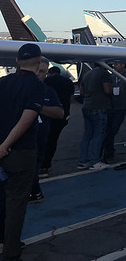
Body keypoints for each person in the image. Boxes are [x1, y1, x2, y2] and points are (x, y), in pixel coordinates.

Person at [0, 43, 45, 261]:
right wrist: (6, 145)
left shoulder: (4, 82)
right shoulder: (36, 86)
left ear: (17, 61)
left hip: (1, 149)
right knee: (16, 203)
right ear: (39, 61)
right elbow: (26, 120)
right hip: (20, 152)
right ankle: (10, 251)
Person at [28, 58, 64, 204]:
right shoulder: (16, 87)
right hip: (17, 139)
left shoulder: (48, 92)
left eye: (42, 71)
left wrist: (38, 107)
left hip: (39, 138)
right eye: (36, 70)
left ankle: (34, 192)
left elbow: (59, 113)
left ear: (46, 74)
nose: (38, 74)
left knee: (33, 166)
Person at [77, 61, 112, 170]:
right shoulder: (104, 74)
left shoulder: (87, 74)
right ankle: (94, 161)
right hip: (99, 107)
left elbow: (81, 92)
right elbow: (107, 90)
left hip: (87, 106)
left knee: (87, 134)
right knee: (99, 134)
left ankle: (83, 161)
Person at [41, 66, 74, 176]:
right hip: (62, 113)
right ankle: (46, 164)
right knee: (53, 140)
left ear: (49, 73)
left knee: (42, 139)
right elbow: (71, 98)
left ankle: (41, 163)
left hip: (47, 113)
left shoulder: (46, 81)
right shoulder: (68, 81)